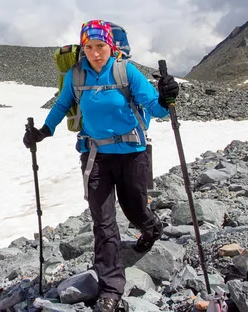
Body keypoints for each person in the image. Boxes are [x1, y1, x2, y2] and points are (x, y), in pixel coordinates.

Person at [23, 20, 179, 312]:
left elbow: (155, 108)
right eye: (89, 47)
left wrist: (166, 95)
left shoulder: (125, 71)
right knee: (103, 222)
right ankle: (110, 288)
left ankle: (152, 228)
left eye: (101, 46)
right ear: (83, 48)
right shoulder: (76, 75)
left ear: (111, 47)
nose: (95, 53)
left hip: (133, 152)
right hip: (95, 156)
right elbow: (61, 105)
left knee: (134, 209)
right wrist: (43, 132)